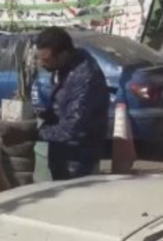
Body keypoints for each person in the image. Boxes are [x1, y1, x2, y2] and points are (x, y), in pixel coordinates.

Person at [6, 27, 109, 180]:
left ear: (63, 54)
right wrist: (42, 115)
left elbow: (73, 128)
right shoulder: (68, 65)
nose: (41, 64)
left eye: (46, 60)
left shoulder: (85, 79)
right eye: (39, 58)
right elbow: (62, 103)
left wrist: (34, 133)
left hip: (78, 159)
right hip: (62, 152)